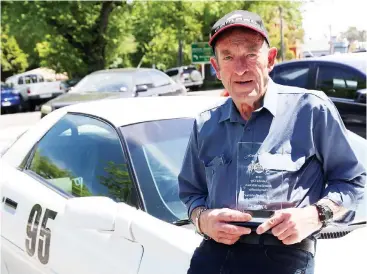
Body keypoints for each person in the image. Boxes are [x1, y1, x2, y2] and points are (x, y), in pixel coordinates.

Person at [178, 10, 366, 274]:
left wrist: (316, 215)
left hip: (283, 259)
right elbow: (191, 193)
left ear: (271, 59)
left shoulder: (310, 110)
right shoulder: (205, 124)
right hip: (214, 259)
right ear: (216, 67)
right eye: (229, 57)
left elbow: (354, 182)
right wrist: (203, 220)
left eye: (251, 54)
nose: (241, 68)